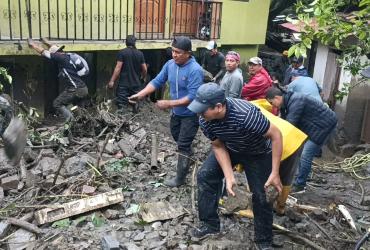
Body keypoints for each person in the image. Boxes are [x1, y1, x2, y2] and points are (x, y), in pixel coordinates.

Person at [188, 83, 283, 250]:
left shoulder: (245, 115)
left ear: (218, 107)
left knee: (262, 193)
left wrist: (275, 172)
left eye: (203, 110)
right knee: (205, 175)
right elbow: (217, 146)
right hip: (231, 147)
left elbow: (276, 135)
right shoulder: (205, 119)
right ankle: (210, 224)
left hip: (258, 152)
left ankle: (263, 240)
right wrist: (229, 175)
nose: (199, 114)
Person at [129, 36, 203, 187]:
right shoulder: (170, 64)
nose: (174, 55)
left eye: (178, 52)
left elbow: (192, 97)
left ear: (188, 53)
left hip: (190, 115)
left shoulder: (195, 70)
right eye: (173, 51)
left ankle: (180, 179)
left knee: (182, 144)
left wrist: (168, 103)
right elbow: (157, 81)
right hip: (176, 113)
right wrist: (141, 94)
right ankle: (188, 154)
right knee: (177, 137)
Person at [266, 87, 337, 192]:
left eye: (272, 103)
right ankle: (301, 176)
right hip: (312, 124)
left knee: (305, 155)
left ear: (277, 98)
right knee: (300, 151)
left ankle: (300, 185)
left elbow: (289, 126)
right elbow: (282, 122)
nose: (273, 106)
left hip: (323, 125)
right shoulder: (286, 102)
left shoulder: (296, 101)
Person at [28, 39, 89, 122]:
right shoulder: (67, 56)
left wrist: (33, 45)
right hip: (83, 88)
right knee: (75, 108)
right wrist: (45, 41)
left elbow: (44, 52)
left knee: (57, 103)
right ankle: (84, 124)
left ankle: (71, 123)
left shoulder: (60, 57)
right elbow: (53, 47)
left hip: (75, 89)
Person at [108, 35, 147, 113]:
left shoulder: (122, 53)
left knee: (121, 105)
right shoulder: (140, 54)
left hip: (124, 85)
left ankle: (122, 121)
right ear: (134, 43)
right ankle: (135, 121)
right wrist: (143, 77)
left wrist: (112, 81)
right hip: (136, 84)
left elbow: (118, 68)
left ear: (126, 43)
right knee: (135, 103)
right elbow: (145, 68)